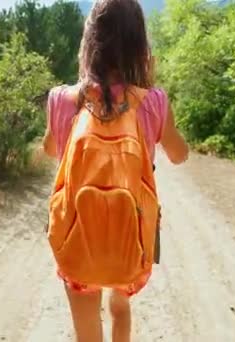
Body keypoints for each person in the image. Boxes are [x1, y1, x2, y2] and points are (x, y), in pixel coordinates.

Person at [41, 0, 189, 341]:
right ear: (140, 45)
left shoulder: (61, 99)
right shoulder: (153, 101)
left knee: (86, 332)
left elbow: (50, 150)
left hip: (78, 229)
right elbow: (179, 155)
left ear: (89, 40)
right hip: (131, 230)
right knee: (120, 308)